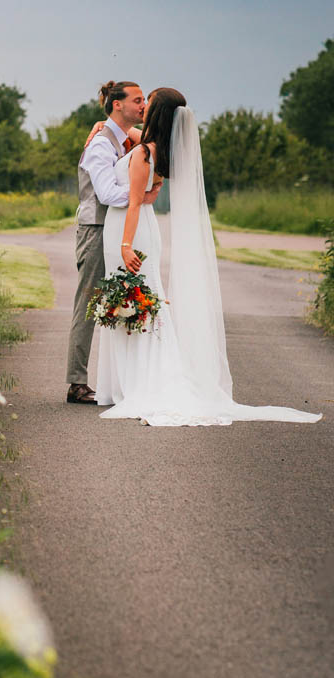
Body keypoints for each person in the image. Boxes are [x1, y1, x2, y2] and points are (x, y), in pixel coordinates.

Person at [94, 87, 321, 426]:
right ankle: (127, 382)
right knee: (141, 300)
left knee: (137, 299)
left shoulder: (144, 153)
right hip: (140, 228)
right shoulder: (159, 150)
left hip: (130, 231)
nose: (142, 108)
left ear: (157, 113)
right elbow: (148, 187)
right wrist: (104, 124)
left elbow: (136, 202)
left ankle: (144, 382)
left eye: (148, 103)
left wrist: (126, 245)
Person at [67, 81, 159, 404]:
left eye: (145, 100)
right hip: (95, 229)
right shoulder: (101, 145)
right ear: (117, 105)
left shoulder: (123, 138)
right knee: (89, 304)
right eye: (137, 100)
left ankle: (121, 379)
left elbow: (149, 141)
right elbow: (105, 194)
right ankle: (77, 382)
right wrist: (141, 198)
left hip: (117, 231)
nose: (143, 105)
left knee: (124, 300)